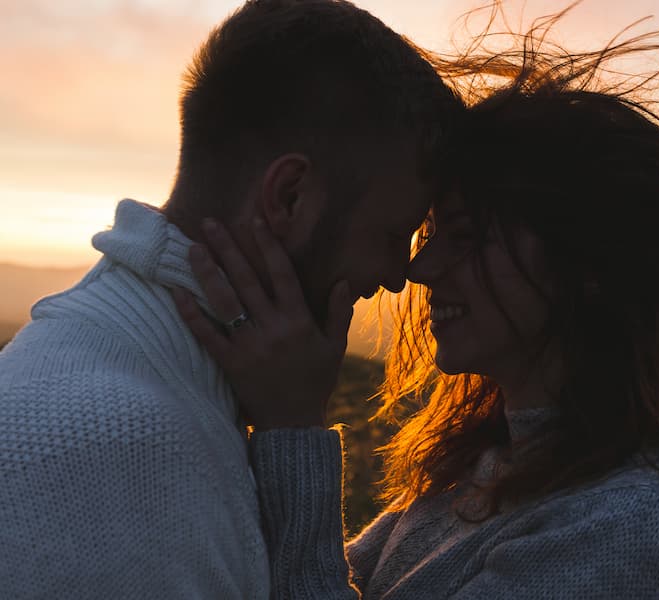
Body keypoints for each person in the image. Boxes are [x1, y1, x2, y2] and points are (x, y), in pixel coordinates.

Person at [176, 4, 659, 598]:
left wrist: (294, 426)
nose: (420, 267)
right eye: (432, 232)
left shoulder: (636, 528)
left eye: (466, 237)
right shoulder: (475, 478)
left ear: (582, 264)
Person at [0, 1, 458, 597]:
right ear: (290, 196)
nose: (401, 276)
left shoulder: (126, 366)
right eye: (394, 235)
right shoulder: (128, 463)